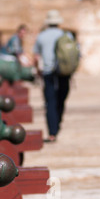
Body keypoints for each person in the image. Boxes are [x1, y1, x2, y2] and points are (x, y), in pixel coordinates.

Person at [33, 10, 72, 143]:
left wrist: (38, 71)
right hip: (64, 73)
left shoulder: (41, 36)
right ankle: (58, 122)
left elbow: (36, 56)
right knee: (61, 99)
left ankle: (52, 133)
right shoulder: (66, 35)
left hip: (48, 73)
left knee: (50, 102)